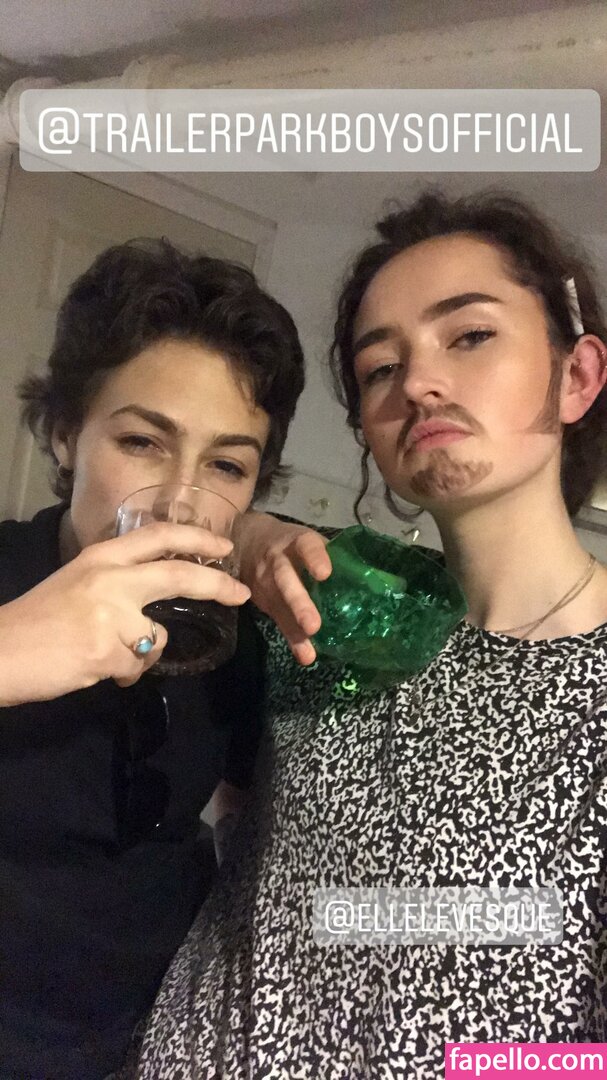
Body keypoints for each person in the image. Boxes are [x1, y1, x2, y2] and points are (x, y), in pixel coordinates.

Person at [132, 190, 607, 1079]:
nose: (418, 382)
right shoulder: (331, 599)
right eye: (380, 368)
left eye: (469, 335)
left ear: (575, 377)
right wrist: (251, 531)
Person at [0, 237, 304, 1079]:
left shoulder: (230, 633)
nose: (178, 501)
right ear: (65, 434)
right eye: (142, 442)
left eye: (226, 465)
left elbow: (246, 810)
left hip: (155, 1043)